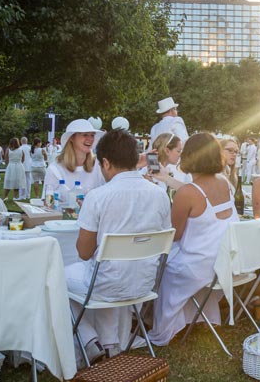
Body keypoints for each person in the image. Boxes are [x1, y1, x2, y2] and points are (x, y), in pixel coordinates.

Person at [66, 129, 172, 361]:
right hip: (145, 284)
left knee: (56, 276)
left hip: (108, 285)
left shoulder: (98, 196)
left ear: (105, 163)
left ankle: (87, 339)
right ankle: (110, 343)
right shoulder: (160, 195)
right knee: (104, 274)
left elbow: (83, 253)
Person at [149, 132, 238, 346]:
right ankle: (195, 319)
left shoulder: (188, 193)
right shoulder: (224, 182)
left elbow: (174, 235)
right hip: (225, 262)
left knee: (160, 263)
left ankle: (162, 324)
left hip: (200, 267)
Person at [44, 119, 106, 197]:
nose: (90, 139)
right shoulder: (55, 169)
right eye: (85, 135)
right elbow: (47, 203)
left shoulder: (100, 165)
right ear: (72, 138)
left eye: (92, 135)